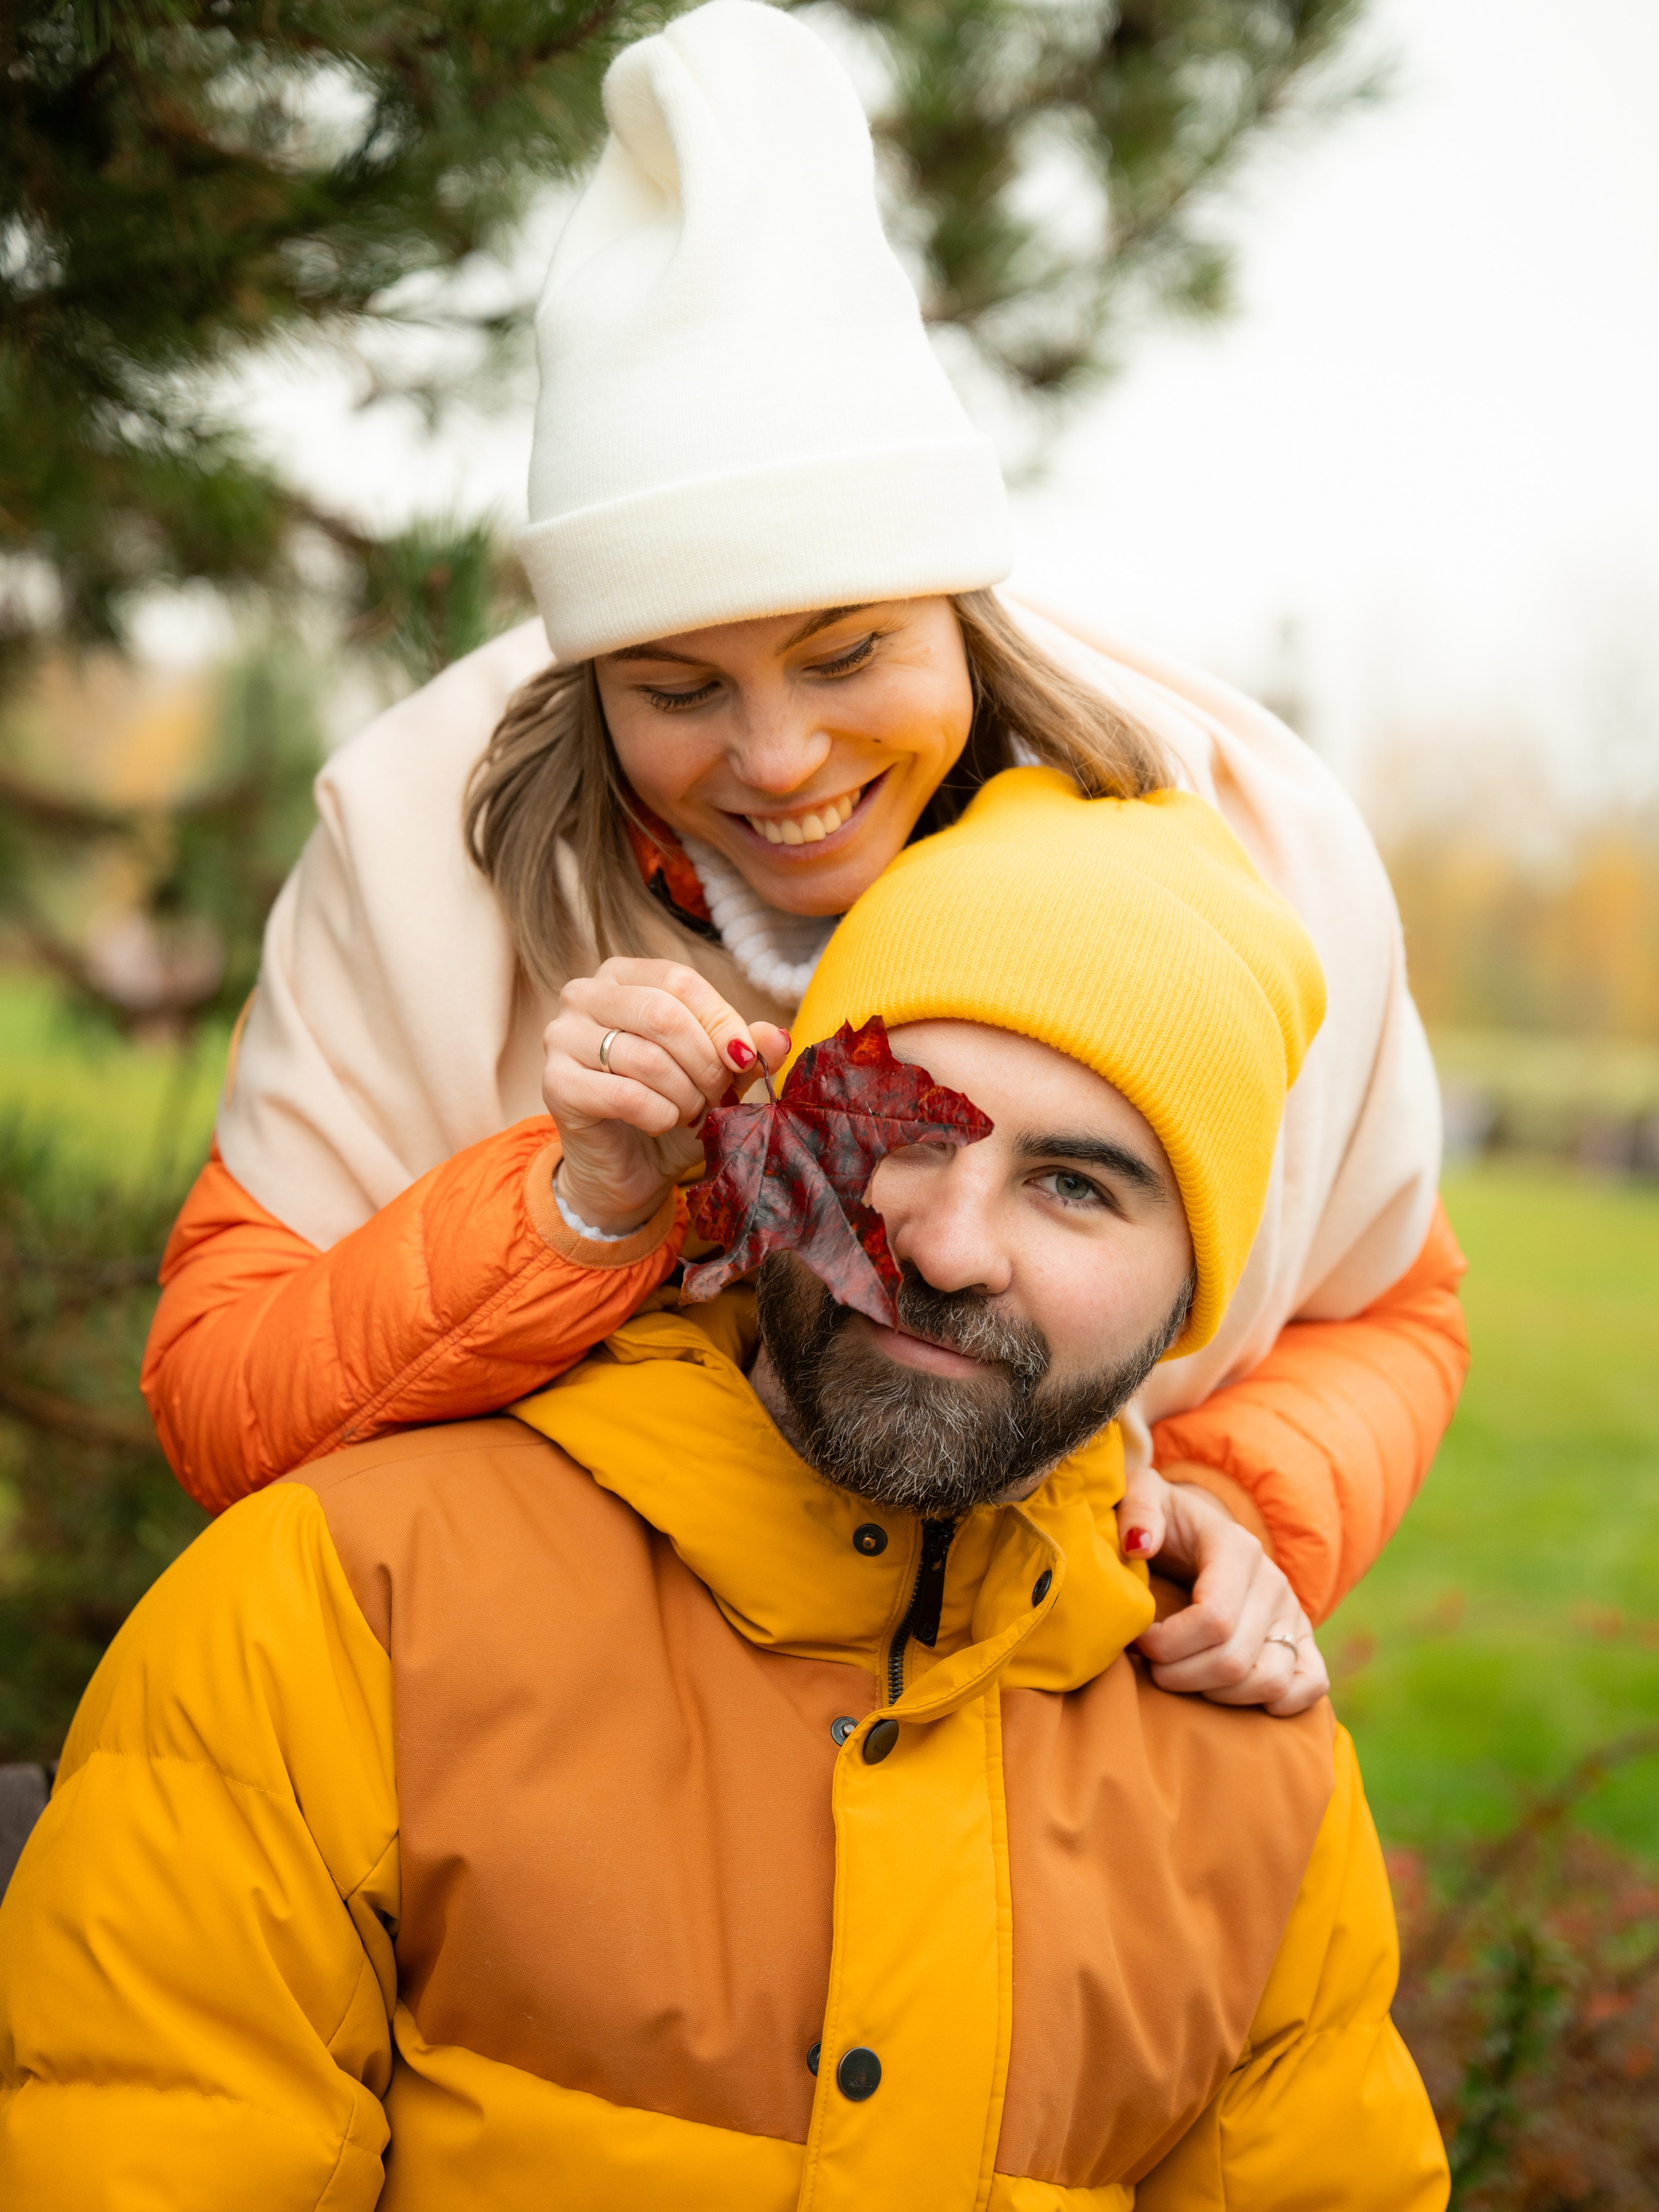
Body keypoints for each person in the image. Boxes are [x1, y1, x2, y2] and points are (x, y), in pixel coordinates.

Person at [139, 0, 1466, 1695]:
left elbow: (1391, 1306)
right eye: (678, 685)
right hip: (542, 1732)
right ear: (586, 673)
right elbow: (221, 1388)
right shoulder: (416, 851)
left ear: (964, 605)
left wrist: (1235, 1497)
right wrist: (572, 1207)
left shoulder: (1250, 856)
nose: (779, 761)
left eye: (849, 655)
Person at [0, 767, 1448, 2209]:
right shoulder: (346, 1610)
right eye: (903, 1134)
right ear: (776, 1148)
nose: (948, 1249)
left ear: (1189, 1291)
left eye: (1075, 1187)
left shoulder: (1248, 1770)